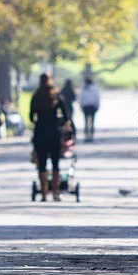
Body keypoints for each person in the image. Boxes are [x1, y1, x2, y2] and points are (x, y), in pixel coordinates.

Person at [30, 72, 71, 201]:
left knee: (41, 163)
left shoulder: (36, 96)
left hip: (40, 132)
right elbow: (66, 116)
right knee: (55, 163)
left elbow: (31, 116)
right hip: (54, 133)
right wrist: (61, 123)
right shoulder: (56, 95)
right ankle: (55, 192)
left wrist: (38, 121)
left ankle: (43, 192)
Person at [78, 77, 100, 142]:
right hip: (92, 106)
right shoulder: (95, 88)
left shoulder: (83, 89)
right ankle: (91, 136)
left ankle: (86, 136)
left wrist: (81, 106)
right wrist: (97, 105)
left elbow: (81, 98)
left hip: (86, 107)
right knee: (92, 122)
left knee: (86, 122)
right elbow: (97, 97)